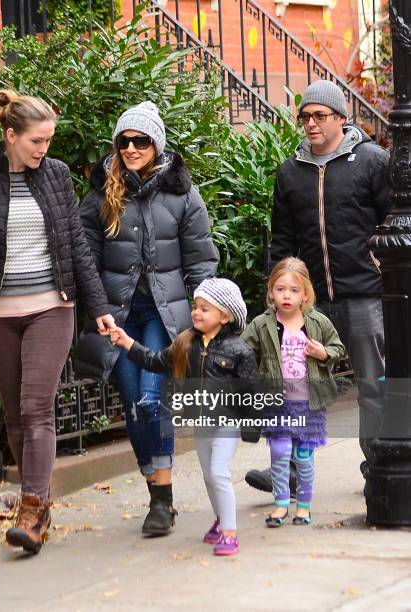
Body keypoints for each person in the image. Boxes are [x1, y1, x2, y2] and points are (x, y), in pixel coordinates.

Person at [0, 89, 114, 554]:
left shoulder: (56, 176)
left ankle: (32, 508)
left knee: (37, 405)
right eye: (37, 141)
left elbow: (77, 245)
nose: (45, 150)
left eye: (49, 141)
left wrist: (98, 306)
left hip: (49, 306)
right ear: (11, 135)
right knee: (16, 413)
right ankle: (38, 505)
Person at [78, 101, 219, 535]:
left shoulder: (181, 193)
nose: (132, 148)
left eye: (141, 141)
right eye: (125, 141)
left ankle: (163, 500)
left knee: (150, 399)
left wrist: (208, 310)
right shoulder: (102, 193)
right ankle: (155, 488)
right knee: (132, 405)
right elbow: (85, 256)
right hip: (117, 315)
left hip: (163, 312)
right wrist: (97, 307)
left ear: (156, 144)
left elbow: (201, 257)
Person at [245, 80, 390, 495]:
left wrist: (380, 264)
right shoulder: (291, 172)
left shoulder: (372, 162)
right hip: (311, 302)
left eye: (319, 116)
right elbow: (285, 239)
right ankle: (287, 469)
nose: (310, 123)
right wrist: (278, 292)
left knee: (371, 386)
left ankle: (378, 470)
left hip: (364, 294)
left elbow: (394, 220)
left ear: (341, 119)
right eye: (305, 116)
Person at [110, 277, 258, 554]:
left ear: (225, 316)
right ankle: (219, 522)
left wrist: (252, 423)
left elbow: (251, 390)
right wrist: (128, 343)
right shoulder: (186, 343)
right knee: (208, 476)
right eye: (196, 306)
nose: (196, 312)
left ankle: (230, 532)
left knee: (219, 473)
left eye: (205, 308)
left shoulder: (240, 350)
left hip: (227, 421)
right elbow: (155, 361)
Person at [243, 258, 344, 525]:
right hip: (277, 403)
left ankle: (304, 506)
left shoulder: (317, 322)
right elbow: (243, 352)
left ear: (305, 294)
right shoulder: (262, 324)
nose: (286, 295)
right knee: (279, 451)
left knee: (303, 455)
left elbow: (338, 348)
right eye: (280, 289)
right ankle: (280, 504)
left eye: (294, 290)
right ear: (270, 292)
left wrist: (323, 353)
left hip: (308, 403)